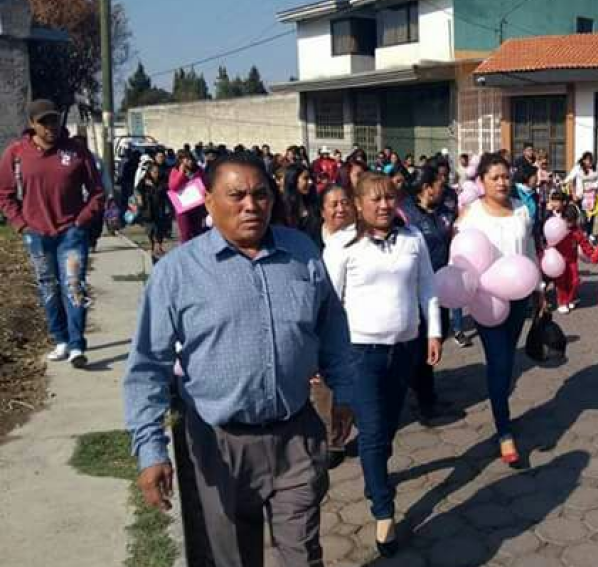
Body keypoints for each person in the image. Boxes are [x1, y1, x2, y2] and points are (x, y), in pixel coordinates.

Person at [123, 152, 352, 566]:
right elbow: (147, 366)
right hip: (219, 443)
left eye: (261, 194)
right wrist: (151, 450)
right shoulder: (177, 272)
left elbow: (332, 324)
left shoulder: (301, 252)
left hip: (295, 436)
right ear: (208, 201)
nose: (251, 205)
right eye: (237, 195)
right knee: (235, 558)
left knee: (303, 554)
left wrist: (346, 393)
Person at [322, 172, 441, 557]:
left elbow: (427, 288)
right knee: (372, 431)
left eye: (390, 198)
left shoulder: (412, 239)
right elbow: (330, 304)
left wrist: (434, 332)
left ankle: (376, 476)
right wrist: (326, 357)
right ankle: (383, 509)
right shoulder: (342, 245)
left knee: (387, 428)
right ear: (358, 204)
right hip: (361, 354)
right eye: (375, 199)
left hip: (404, 348)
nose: (385, 205)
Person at [0, 99, 104, 368]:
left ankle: (77, 345)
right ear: (32, 124)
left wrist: (82, 220)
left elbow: (97, 192)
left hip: (71, 233)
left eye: (54, 121)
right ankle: (60, 339)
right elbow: (5, 194)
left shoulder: (76, 152)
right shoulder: (16, 153)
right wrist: (21, 224)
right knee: (48, 287)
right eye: (43, 122)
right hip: (36, 234)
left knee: (73, 286)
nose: (50, 127)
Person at [457, 153, 543, 467]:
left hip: (519, 295)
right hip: (487, 299)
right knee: (500, 361)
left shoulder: (521, 209)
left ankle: (500, 405)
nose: (502, 182)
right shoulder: (472, 214)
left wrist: (539, 287)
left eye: (506, 176)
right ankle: (504, 430)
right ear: (481, 182)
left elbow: (530, 249)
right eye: (495, 177)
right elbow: (461, 255)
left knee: (506, 359)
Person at [399, 164, 457, 425]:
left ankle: (425, 391)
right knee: (421, 345)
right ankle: (425, 400)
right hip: (415, 291)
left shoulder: (444, 211)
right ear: (426, 188)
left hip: (442, 288)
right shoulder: (406, 215)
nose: (443, 187)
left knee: (438, 335)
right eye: (439, 183)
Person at [309, 184, 358, 468]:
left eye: (345, 203)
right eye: (333, 204)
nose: (340, 209)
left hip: (353, 324)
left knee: (347, 383)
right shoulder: (312, 241)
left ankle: (341, 432)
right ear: (322, 211)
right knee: (323, 387)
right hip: (321, 322)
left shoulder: (360, 238)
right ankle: (331, 438)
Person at [551, 204, 594, 314]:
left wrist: (592, 254)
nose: (569, 223)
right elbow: (550, 241)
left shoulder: (576, 231)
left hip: (572, 260)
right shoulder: (557, 229)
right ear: (563, 218)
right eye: (567, 220)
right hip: (559, 261)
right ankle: (562, 302)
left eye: (572, 221)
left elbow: (584, 243)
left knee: (574, 281)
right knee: (561, 282)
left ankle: (569, 299)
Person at [136, 162, 173, 259]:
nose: (156, 174)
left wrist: (154, 186)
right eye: (154, 172)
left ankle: (158, 246)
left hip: (160, 208)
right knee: (150, 229)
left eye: (157, 172)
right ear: (150, 172)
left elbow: (165, 191)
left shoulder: (162, 181)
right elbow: (138, 190)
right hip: (148, 209)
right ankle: (153, 245)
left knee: (160, 228)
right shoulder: (144, 181)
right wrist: (139, 199)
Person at [565, 151, 598, 239]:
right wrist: (575, 193)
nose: (588, 162)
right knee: (584, 215)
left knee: (593, 214)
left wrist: (594, 186)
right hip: (582, 195)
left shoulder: (596, 169)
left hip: (594, 195)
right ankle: (583, 231)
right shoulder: (579, 169)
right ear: (583, 160)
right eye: (586, 160)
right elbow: (571, 178)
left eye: (590, 160)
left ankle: (590, 233)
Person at [281, 164, 319, 239]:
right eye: (306, 178)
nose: (310, 182)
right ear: (293, 180)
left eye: (310, 178)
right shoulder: (282, 208)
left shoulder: (313, 204)